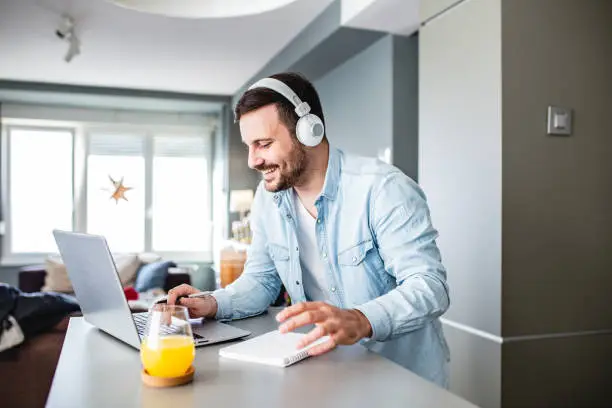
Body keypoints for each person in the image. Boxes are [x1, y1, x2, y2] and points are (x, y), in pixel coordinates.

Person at [167, 72, 451, 387]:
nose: (253, 160)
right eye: (250, 146)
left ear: (308, 131)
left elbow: (429, 287)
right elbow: (261, 282)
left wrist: (360, 319)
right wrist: (213, 303)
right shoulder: (268, 198)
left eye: (263, 144)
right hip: (329, 374)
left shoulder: (383, 189)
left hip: (402, 380)